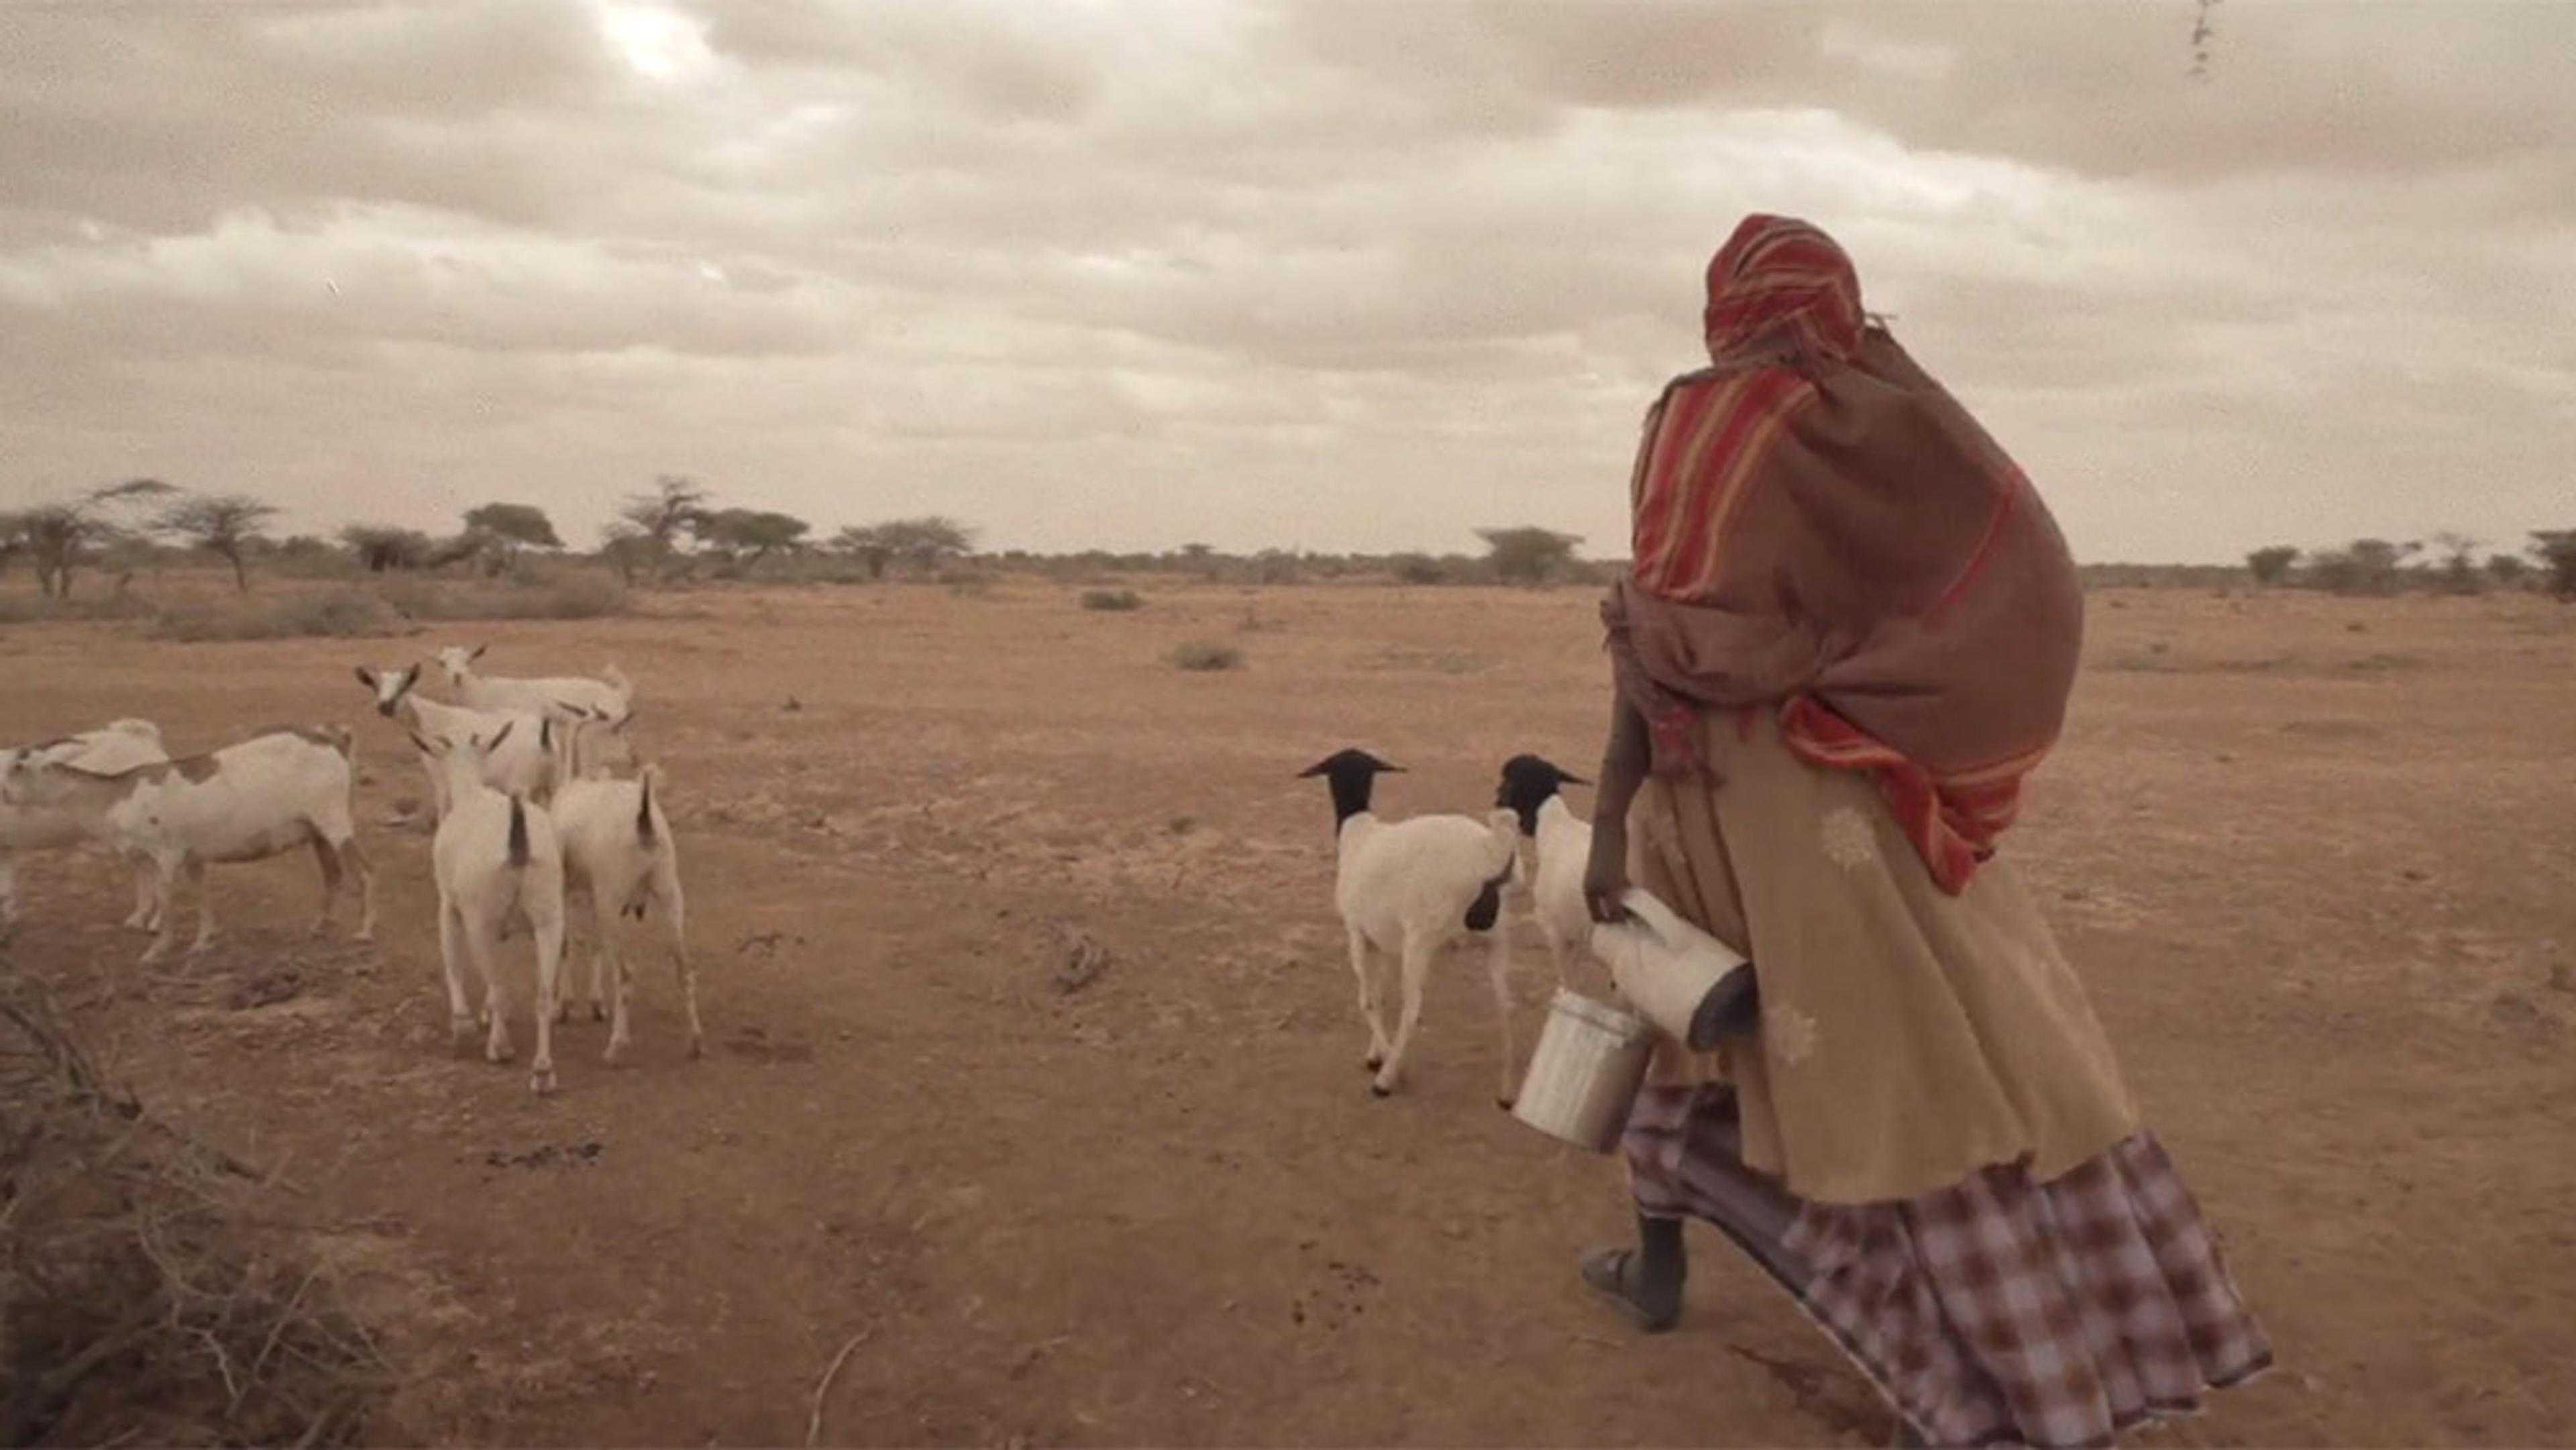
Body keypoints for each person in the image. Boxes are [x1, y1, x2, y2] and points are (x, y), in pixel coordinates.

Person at [1575, 214, 2273, 1449]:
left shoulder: (1707, 421)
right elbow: (2027, 574)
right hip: (1867, 792)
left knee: (1713, 1034)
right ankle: (2043, 1360)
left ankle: (1907, 1365)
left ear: (1723, 304)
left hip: (1735, 809)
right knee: (1951, 1067)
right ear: (1838, 303)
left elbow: (1656, 644)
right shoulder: (1895, 426)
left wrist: (1612, 814)